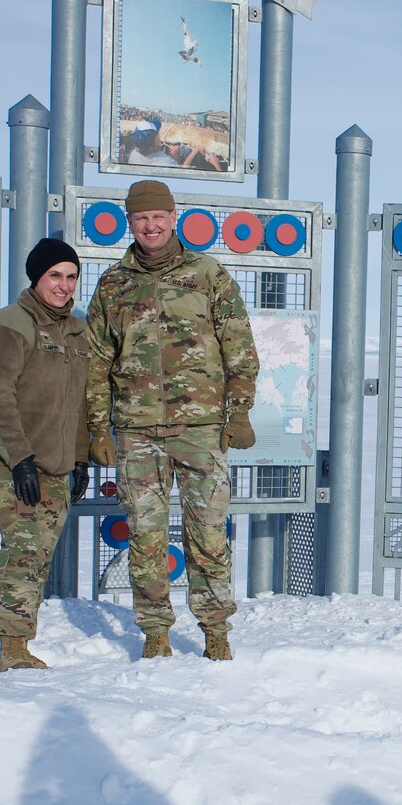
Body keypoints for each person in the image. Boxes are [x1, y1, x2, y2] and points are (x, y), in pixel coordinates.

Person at [85, 180, 258, 661]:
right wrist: (98, 427)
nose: (151, 225)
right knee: (146, 534)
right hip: (136, 430)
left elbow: (239, 347)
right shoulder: (113, 284)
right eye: (141, 218)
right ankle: (156, 632)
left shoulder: (207, 274)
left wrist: (238, 412)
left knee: (207, 529)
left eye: (158, 216)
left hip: (200, 429)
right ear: (129, 223)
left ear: (173, 217)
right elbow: (97, 360)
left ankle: (215, 630)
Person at [0, 238, 92, 672]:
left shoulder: (77, 331)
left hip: (55, 462)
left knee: (39, 551)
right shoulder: (10, 324)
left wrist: (80, 458)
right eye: (54, 276)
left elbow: (79, 402)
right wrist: (19, 457)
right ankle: (13, 649)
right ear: (36, 278)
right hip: (5, 459)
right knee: (26, 544)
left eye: (71, 276)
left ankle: (16, 634)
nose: (63, 285)